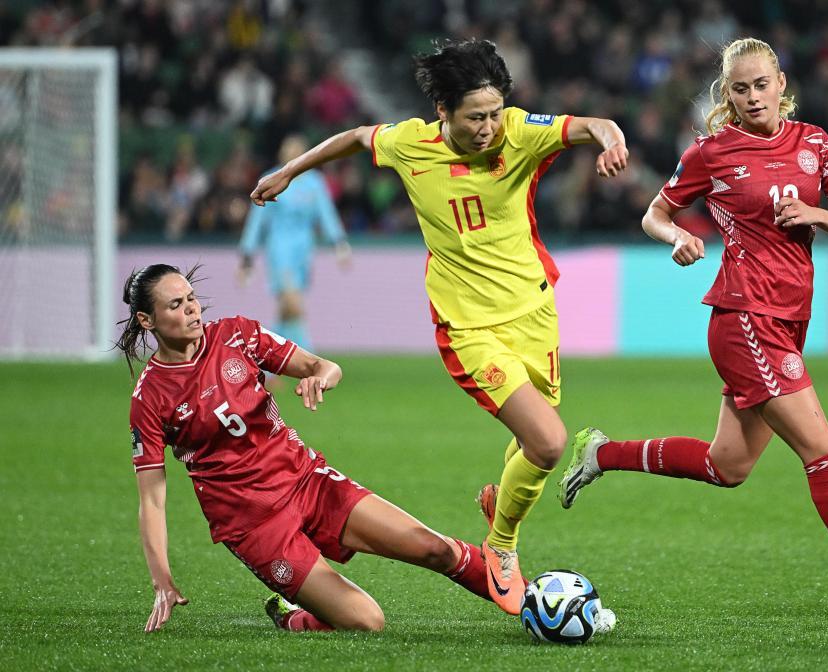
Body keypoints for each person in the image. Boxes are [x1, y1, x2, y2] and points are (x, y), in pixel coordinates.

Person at [557, 37, 828, 621]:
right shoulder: (712, 152)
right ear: (728, 93)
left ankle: (602, 453)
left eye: (761, 85)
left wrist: (815, 214)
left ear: (781, 84)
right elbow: (654, 214)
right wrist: (678, 236)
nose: (752, 97)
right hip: (745, 317)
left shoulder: (815, 142)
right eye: (740, 89)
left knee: (729, 466)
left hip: (789, 320)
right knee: (824, 452)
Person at [250, 38, 629, 614]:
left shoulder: (520, 132)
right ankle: (500, 545)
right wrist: (290, 172)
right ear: (443, 112)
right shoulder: (411, 144)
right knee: (550, 441)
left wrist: (612, 141)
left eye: (495, 113)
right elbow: (355, 138)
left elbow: (594, 124)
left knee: (533, 441)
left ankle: (500, 504)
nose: (489, 128)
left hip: (534, 314)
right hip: (469, 329)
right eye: (475, 117)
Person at [117, 263, 495, 633]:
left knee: (434, 548)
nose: (191, 309)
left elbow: (323, 365)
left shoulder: (236, 335)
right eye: (175, 304)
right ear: (147, 320)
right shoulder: (149, 398)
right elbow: (152, 500)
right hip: (254, 525)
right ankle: (291, 615)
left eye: (191, 298)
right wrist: (162, 580)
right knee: (366, 620)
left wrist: (320, 378)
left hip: (306, 481)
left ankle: (520, 595)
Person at [238, 134, 351, 352]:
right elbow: (257, 220)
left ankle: (267, 358)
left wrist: (339, 242)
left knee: (286, 310)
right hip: (279, 248)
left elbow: (326, 213)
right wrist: (247, 254)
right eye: (289, 150)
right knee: (293, 303)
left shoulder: (314, 183)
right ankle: (309, 358)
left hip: (304, 250)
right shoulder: (271, 179)